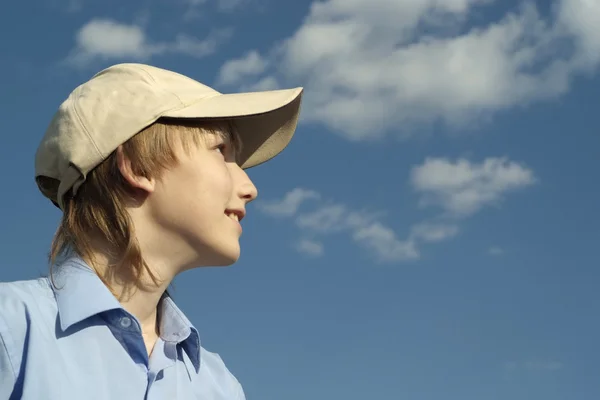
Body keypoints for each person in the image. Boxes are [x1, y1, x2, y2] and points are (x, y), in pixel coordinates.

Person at [0, 63, 303, 399]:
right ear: (137, 167)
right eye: (221, 151)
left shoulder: (220, 386)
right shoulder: (10, 328)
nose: (249, 188)